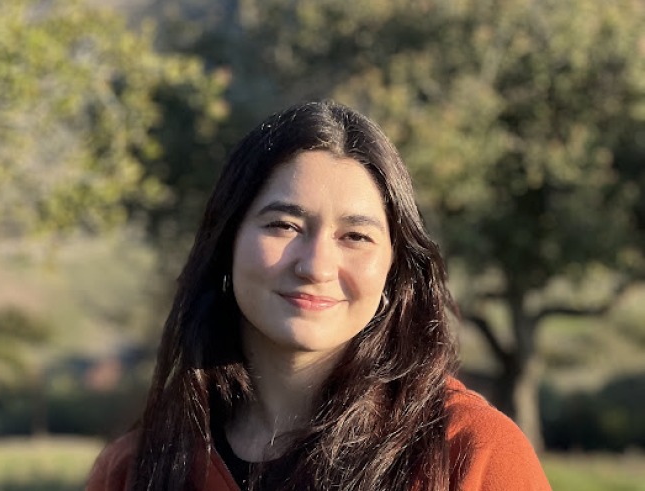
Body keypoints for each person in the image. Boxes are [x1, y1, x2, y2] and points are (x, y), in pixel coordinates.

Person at [86, 101, 552, 491]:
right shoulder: (137, 469)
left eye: (355, 236)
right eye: (284, 226)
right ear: (226, 241)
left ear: (394, 269)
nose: (315, 266)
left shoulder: (472, 452)